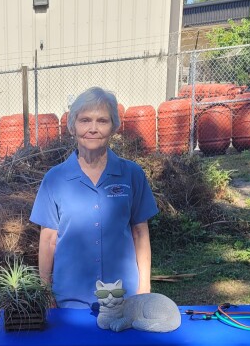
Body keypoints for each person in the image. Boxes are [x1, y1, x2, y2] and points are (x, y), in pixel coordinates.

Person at [30, 87, 158, 309]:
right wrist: (44, 290)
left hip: (123, 297)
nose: (93, 128)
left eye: (102, 121)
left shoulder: (132, 174)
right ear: (73, 126)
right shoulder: (55, 179)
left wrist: (144, 288)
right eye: (85, 120)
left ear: (113, 127)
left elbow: (140, 233)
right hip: (70, 300)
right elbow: (48, 239)